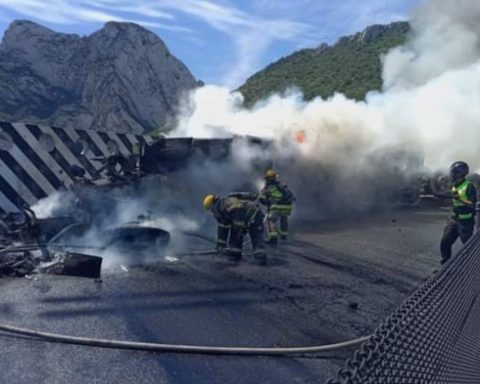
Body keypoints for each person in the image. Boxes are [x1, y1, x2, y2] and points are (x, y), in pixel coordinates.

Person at [203, 194, 267, 265]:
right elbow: (223, 229)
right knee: (236, 231)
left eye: (210, 208)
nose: (212, 211)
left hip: (254, 216)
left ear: (213, 204)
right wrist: (220, 246)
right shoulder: (222, 210)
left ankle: (260, 258)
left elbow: (239, 212)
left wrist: (241, 227)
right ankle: (235, 253)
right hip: (244, 219)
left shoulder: (228, 203)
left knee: (256, 236)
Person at [439, 161, 478, 264]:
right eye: (452, 172)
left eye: (454, 173)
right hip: (453, 220)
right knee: (445, 242)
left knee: (468, 247)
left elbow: (472, 204)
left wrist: (458, 198)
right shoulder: (454, 185)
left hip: (465, 222)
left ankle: (472, 268)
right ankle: (445, 263)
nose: (452, 175)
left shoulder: (469, 187)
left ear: (461, 174)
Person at [258, 169, 295, 245]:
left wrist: (267, 202)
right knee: (284, 219)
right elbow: (289, 193)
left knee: (269, 221)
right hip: (287, 206)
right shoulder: (281, 184)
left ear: (267, 178)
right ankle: (284, 235)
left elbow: (261, 198)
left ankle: (273, 238)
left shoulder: (267, 188)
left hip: (276, 206)